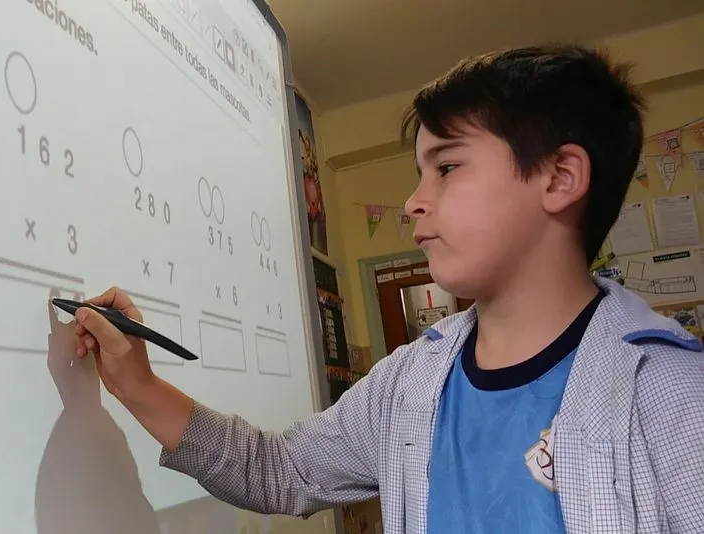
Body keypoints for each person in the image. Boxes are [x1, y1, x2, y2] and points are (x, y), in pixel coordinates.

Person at [67, 44, 704, 533]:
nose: (413, 202)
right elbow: (278, 470)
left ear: (560, 178)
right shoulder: (410, 381)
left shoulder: (672, 397)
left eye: (447, 167)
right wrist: (138, 385)